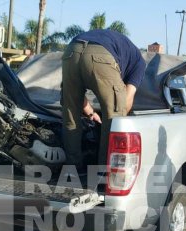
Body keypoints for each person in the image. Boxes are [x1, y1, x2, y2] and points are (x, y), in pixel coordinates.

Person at [61, 29, 146, 170]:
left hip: (71, 51)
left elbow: (76, 100)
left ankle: (73, 169)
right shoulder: (139, 63)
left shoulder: (120, 47)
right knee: (114, 120)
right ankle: (102, 173)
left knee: (70, 113)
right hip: (101, 56)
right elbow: (126, 100)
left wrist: (91, 113)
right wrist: (117, 111)